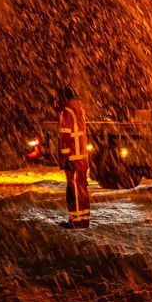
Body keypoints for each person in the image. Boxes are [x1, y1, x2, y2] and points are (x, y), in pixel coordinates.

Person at [57, 87, 90, 228]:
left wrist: (65, 158)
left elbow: (65, 137)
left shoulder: (67, 112)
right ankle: (82, 220)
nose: (58, 100)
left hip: (73, 158)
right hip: (81, 157)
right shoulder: (78, 110)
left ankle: (76, 221)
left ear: (64, 97)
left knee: (74, 189)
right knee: (81, 189)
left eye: (60, 97)